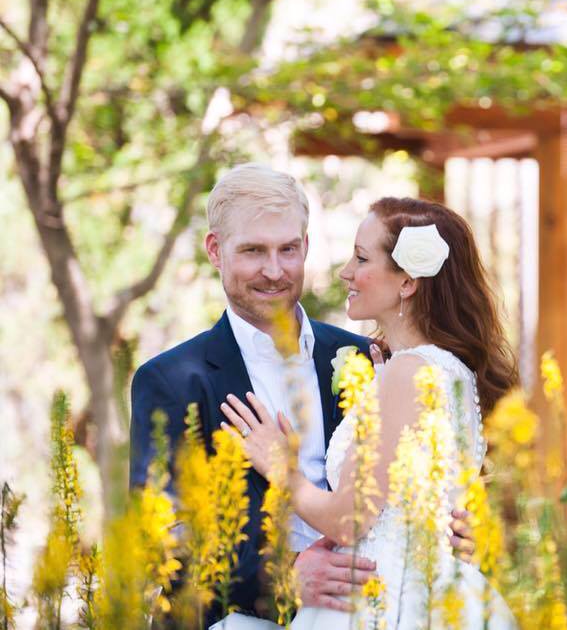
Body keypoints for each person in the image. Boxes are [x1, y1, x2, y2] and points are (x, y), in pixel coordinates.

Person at [129, 166, 472, 628]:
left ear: (306, 246)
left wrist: (458, 528)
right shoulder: (171, 380)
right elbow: (165, 533)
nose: (274, 271)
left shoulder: (365, 357)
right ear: (215, 250)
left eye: (288, 249)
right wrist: (283, 576)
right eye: (253, 251)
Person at [221, 197, 519, 629]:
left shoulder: (407, 373)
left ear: (407, 283)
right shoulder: (447, 370)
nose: (346, 272)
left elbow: (347, 521)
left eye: (361, 258)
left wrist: (280, 467)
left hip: (380, 598)